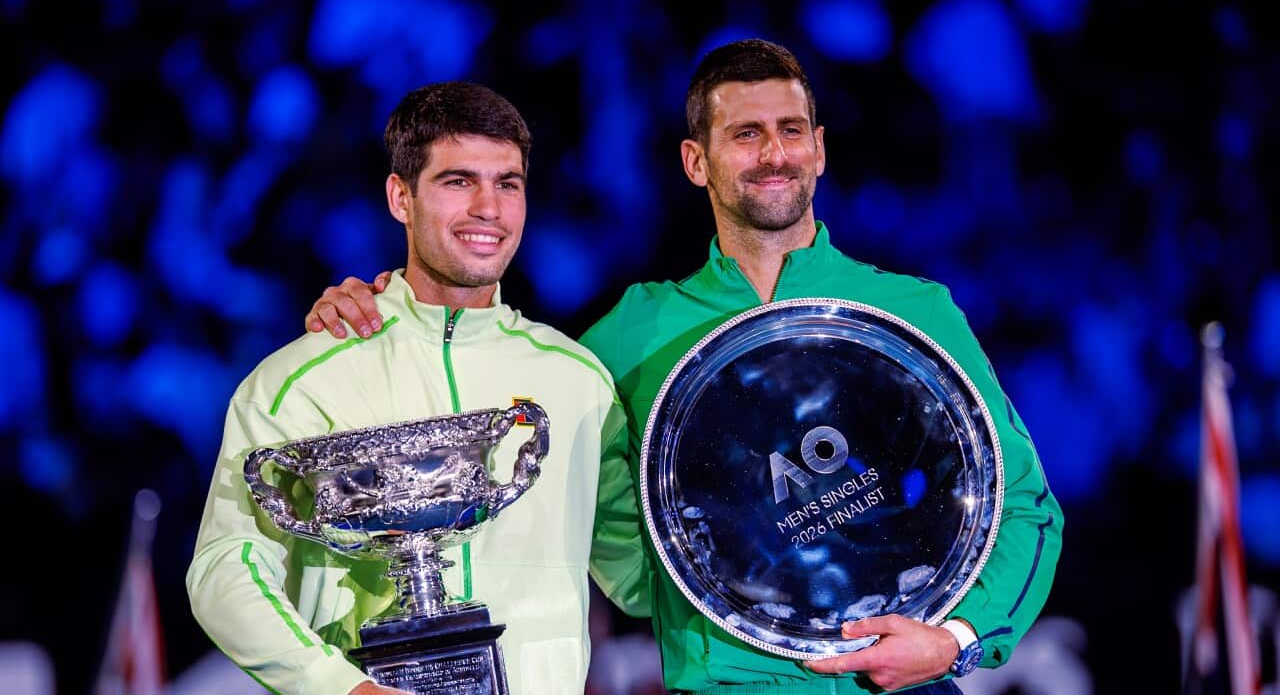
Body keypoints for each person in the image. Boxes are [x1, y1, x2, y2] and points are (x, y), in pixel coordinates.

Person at [306, 40, 1063, 694]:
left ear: (820, 148)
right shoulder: (629, 338)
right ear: (696, 161)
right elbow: (483, 377)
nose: (774, 153)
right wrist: (390, 308)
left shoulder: (914, 312)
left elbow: (1023, 506)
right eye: (746, 134)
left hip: (898, 687)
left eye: (790, 130)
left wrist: (958, 639)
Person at [187, 81, 647, 695]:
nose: (489, 207)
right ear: (400, 197)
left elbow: (641, 577)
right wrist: (338, 687)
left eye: (507, 183)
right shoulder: (298, 378)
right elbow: (227, 568)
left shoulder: (576, 379)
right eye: (458, 181)